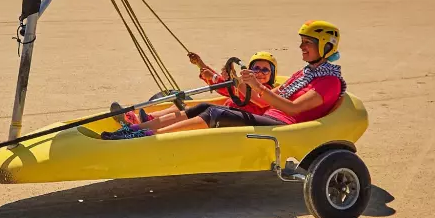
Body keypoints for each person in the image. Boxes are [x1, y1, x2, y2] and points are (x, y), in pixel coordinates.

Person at [102, 21, 346, 139]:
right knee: (205, 107)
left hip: (285, 126)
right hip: (270, 116)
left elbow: (292, 107)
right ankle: (134, 129)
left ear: (324, 46)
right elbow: (273, 95)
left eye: (307, 43)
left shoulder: (328, 82)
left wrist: (256, 86)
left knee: (217, 114)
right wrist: (248, 85)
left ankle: (147, 139)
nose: (301, 47)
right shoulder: (305, 73)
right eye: (302, 42)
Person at [114, 51, 277, 126]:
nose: (260, 73)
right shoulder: (245, 85)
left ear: (272, 74)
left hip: (235, 119)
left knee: (196, 110)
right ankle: (144, 118)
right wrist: (200, 64)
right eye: (256, 69)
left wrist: (233, 81)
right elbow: (223, 86)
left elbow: (259, 100)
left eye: (265, 70)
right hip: (227, 111)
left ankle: (145, 122)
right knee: (182, 106)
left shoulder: (268, 91)